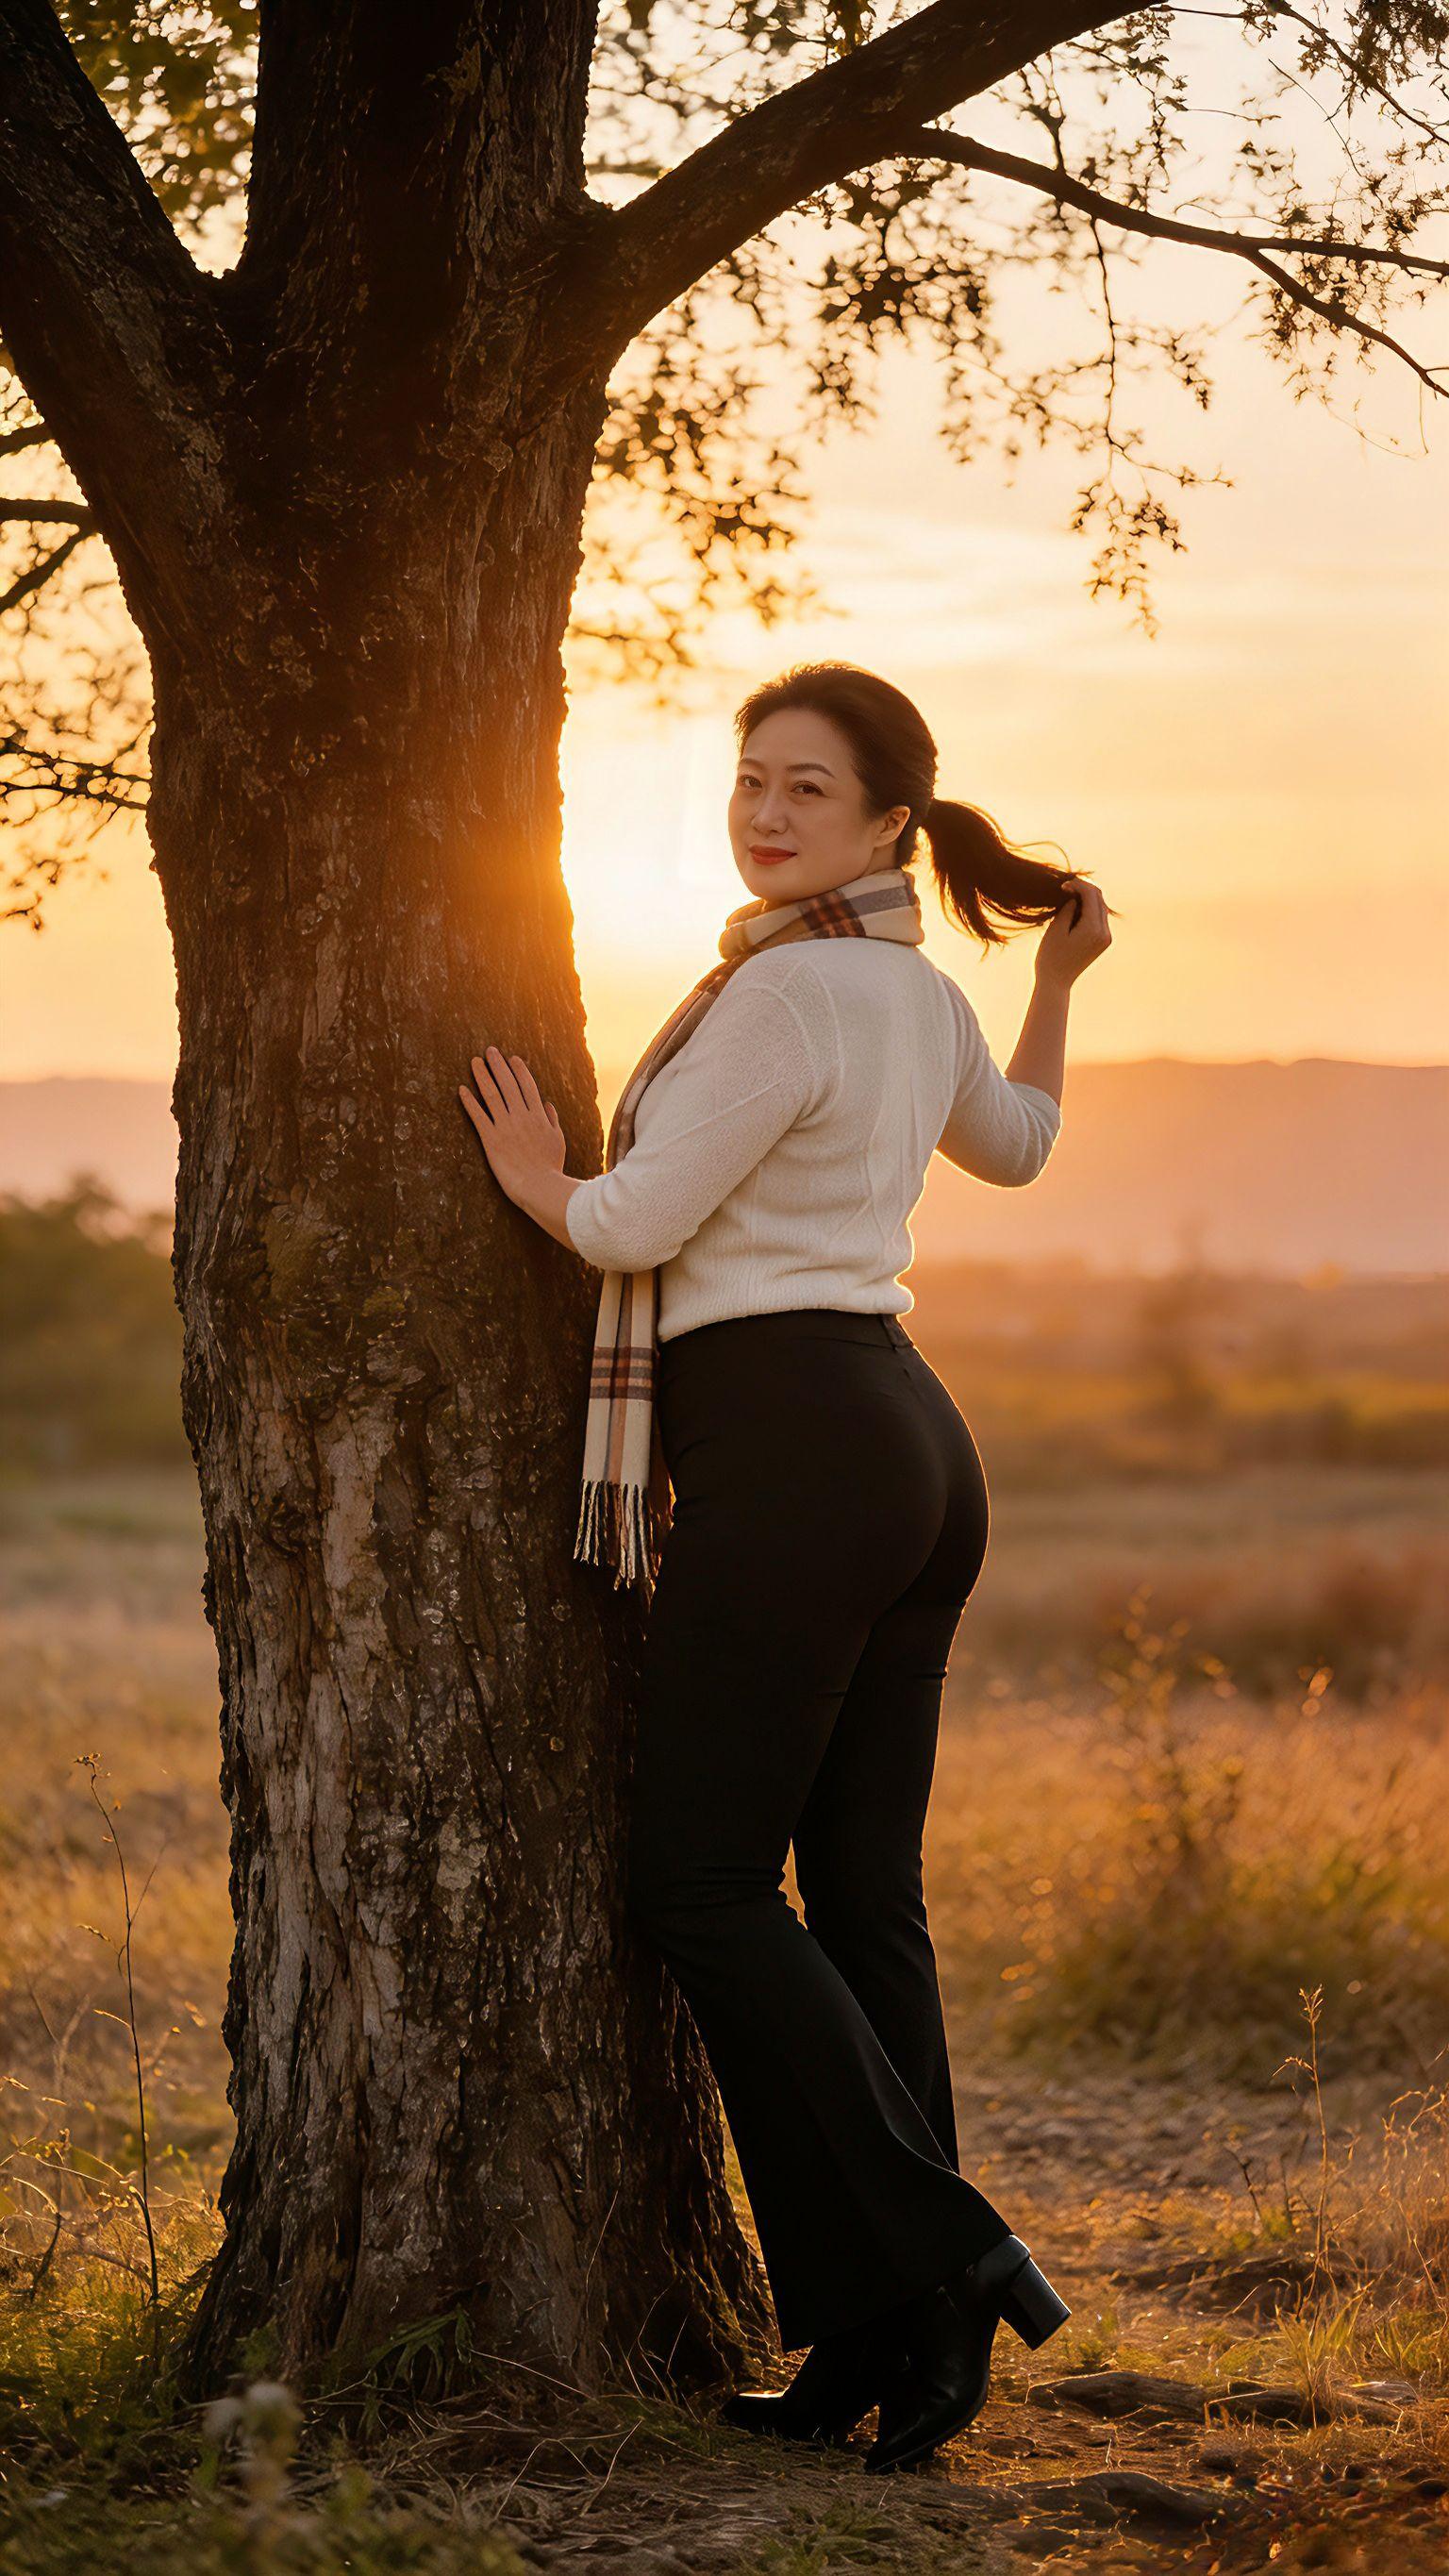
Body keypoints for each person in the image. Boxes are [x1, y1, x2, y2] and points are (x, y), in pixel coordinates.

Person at [460, 661, 1113, 2473]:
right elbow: (1027, 1148)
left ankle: (943, 2248)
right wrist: (1054, 985)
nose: (764, 813)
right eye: (751, 780)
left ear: (887, 818)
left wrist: (535, 1172)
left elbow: (627, 1223)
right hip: (908, 1441)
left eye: (807, 790)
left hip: (799, 1443)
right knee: (861, 1904)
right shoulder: (916, 986)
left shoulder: (784, 994)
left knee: (697, 1884)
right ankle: (889, 2348)